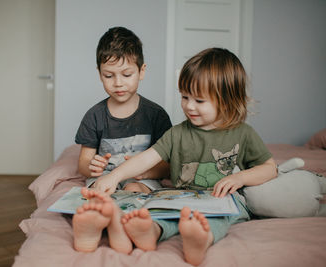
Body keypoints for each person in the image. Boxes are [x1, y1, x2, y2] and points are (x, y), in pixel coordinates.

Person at [93, 47, 278, 265]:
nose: (189, 106)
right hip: (180, 198)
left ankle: (201, 240)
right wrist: (114, 176)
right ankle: (150, 232)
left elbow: (270, 168)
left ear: (227, 100)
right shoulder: (177, 133)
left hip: (221, 203)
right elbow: (146, 158)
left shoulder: (242, 133)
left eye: (199, 101)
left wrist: (240, 178)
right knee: (162, 215)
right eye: (185, 97)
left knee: (220, 219)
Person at [72, 26, 172, 254]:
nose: (118, 83)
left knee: (136, 190)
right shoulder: (94, 116)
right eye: (109, 75)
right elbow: (83, 164)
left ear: (142, 71)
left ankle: (125, 226)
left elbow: (167, 166)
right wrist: (92, 167)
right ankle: (94, 228)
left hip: (139, 180)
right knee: (98, 199)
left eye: (126, 75)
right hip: (105, 180)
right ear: (99, 73)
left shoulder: (155, 115)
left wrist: (145, 172)